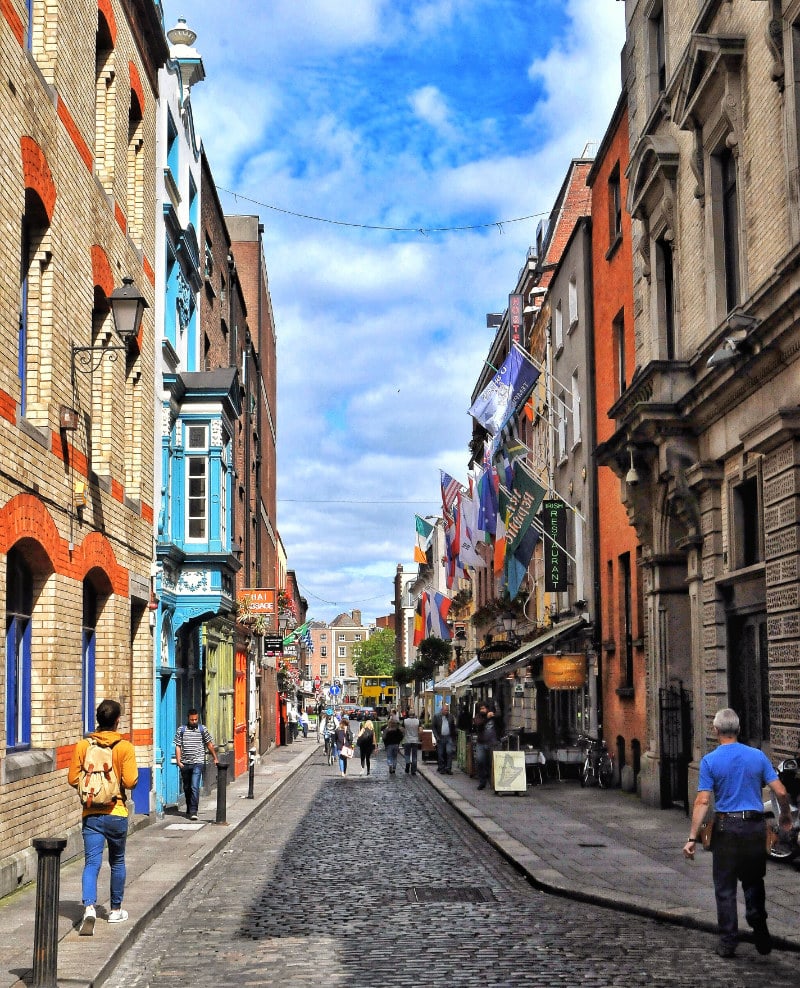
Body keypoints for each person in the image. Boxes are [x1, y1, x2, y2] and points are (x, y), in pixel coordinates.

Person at [683, 708, 792, 958]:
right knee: (754, 881)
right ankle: (759, 924)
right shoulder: (757, 756)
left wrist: (692, 837)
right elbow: (782, 792)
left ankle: (728, 941)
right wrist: (784, 816)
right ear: (739, 730)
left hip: (726, 829)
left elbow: (702, 801)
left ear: (716, 731)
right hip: (754, 828)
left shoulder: (710, 761)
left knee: (725, 887)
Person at [68, 698, 139, 935]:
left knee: (91, 863)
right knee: (117, 862)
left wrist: (93, 789)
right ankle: (115, 910)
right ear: (118, 721)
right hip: (116, 811)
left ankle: (89, 907)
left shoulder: (83, 745)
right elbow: (130, 781)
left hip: (91, 813)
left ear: (98, 720)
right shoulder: (124, 747)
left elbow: (72, 778)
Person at [174, 708, 219, 820]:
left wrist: (215, 757)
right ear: (188, 719)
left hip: (198, 762)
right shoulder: (181, 730)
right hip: (185, 763)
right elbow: (178, 746)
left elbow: (209, 744)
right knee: (187, 787)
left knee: (194, 786)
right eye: (192, 720)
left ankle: (194, 811)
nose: (194, 721)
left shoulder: (202, 729)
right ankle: (189, 808)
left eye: (196, 719)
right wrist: (178, 761)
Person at [473, 701, 498, 790]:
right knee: (480, 761)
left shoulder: (493, 716)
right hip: (481, 743)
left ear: (487, 708)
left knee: (491, 763)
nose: (482, 710)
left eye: (483, 708)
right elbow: (478, 724)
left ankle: (492, 782)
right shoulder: (478, 717)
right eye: (481, 709)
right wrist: (487, 718)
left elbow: (500, 723)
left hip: (492, 743)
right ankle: (482, 782)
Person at [432, 701, 457, 775]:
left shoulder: (451, 717)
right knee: (441, 753)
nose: (447, 712)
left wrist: (454, 737)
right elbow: (433, 727)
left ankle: (448, 768)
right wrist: (437, 737)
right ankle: (442, 768)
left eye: (447, 710)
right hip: (440, 737)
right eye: (445, 710)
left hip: (448, 737)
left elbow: (453, 727)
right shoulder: (436, 716)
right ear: (442, 710)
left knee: (449, 752)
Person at [402, 707, 420, 775]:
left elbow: (402, 730)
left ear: (408, 714)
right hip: (415, 740)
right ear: (414, 714)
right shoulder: (418, 721)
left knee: (407, 754)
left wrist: (405, 733)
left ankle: (407, 763)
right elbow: (420, 730)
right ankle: (413, 770)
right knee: (414, 756)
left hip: (407, 740)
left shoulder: (405, 721)